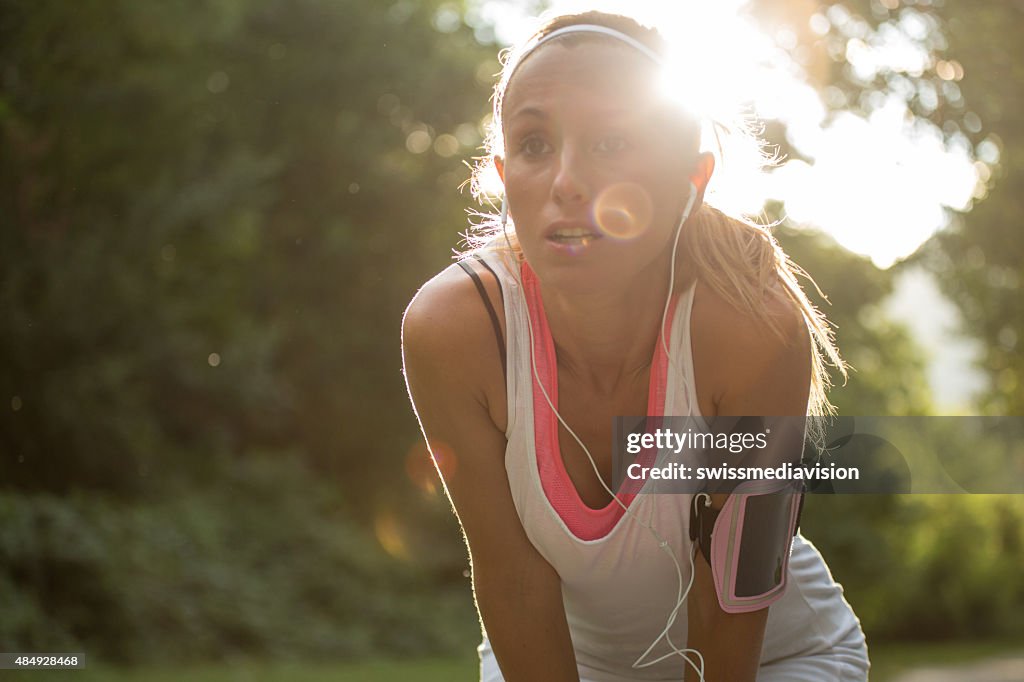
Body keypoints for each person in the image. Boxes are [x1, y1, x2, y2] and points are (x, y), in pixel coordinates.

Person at [402, 10, 869, 682]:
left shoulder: (753, 330)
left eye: (611, 142)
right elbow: (512, 579)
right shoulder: (453, 331)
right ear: (505, 174)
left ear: (693, 176)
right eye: (535, 145)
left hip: (776, 660)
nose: (565, 181)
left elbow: (732, 598)